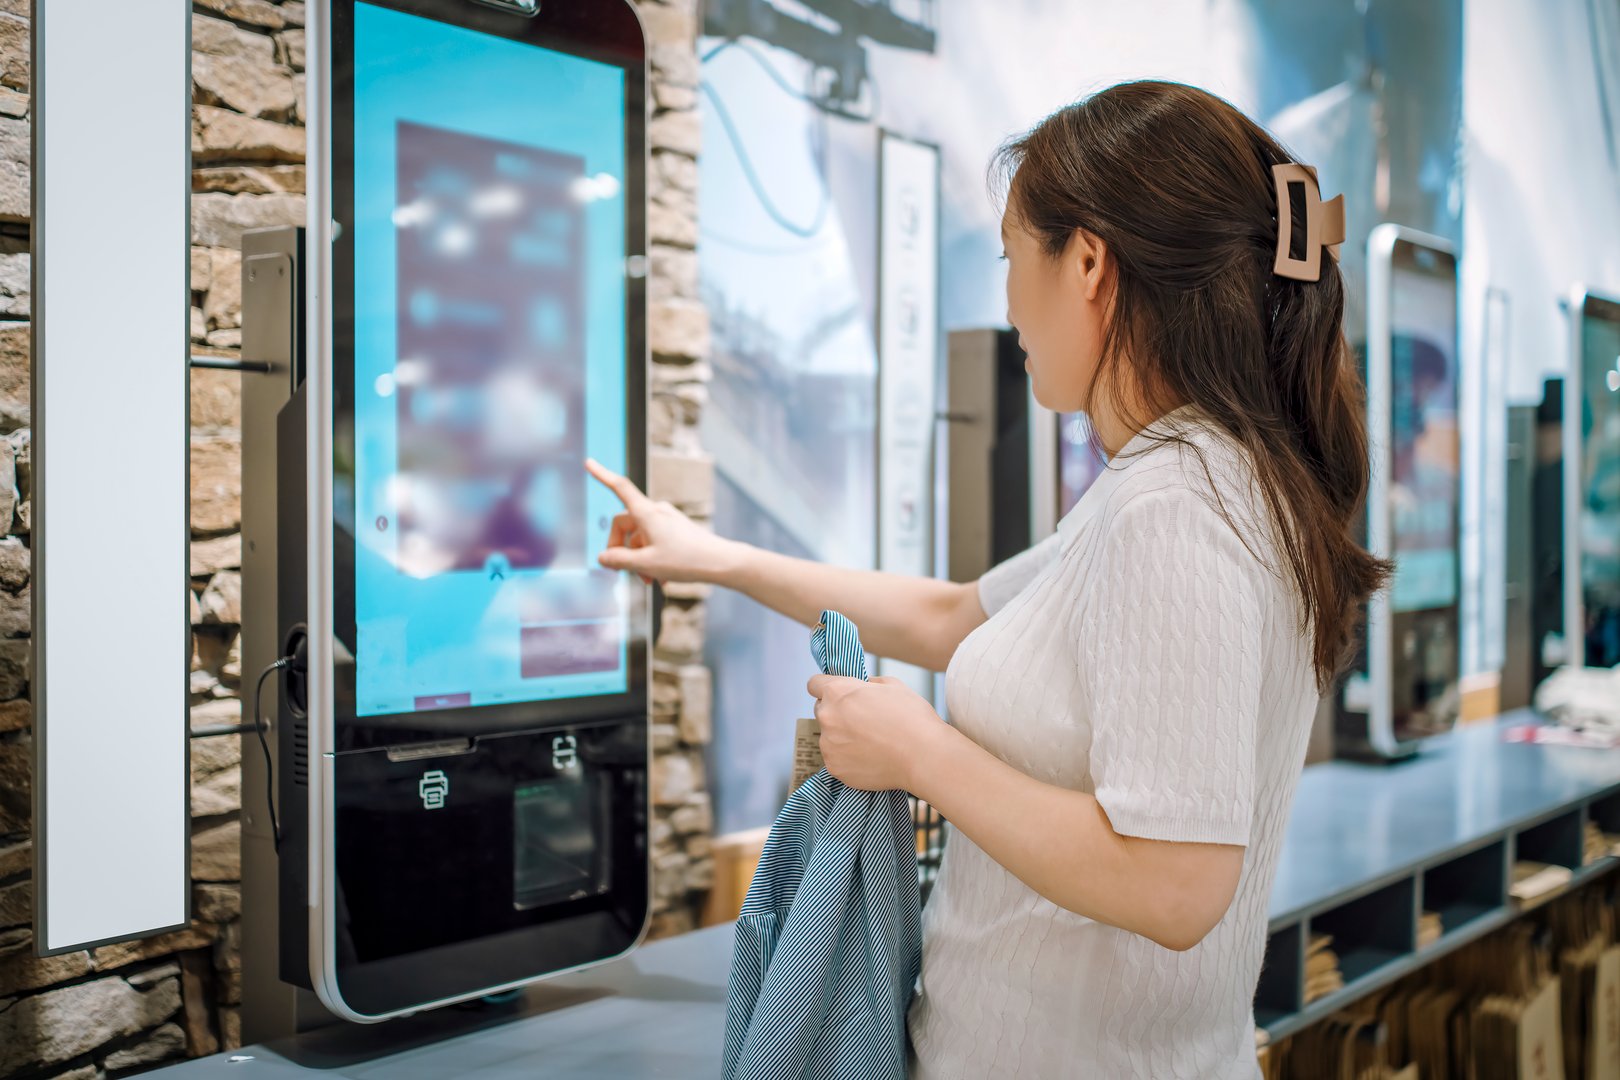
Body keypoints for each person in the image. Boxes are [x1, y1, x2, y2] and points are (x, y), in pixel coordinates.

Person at [585, 79, 1388, 1079]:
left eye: (1015, 256)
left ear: (1088, 263)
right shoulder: (1187, 478)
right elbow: (951, 616)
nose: (1008, 300)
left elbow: (1178, 882)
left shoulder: (1177, 507)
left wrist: (918, 752)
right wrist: (717, 557)